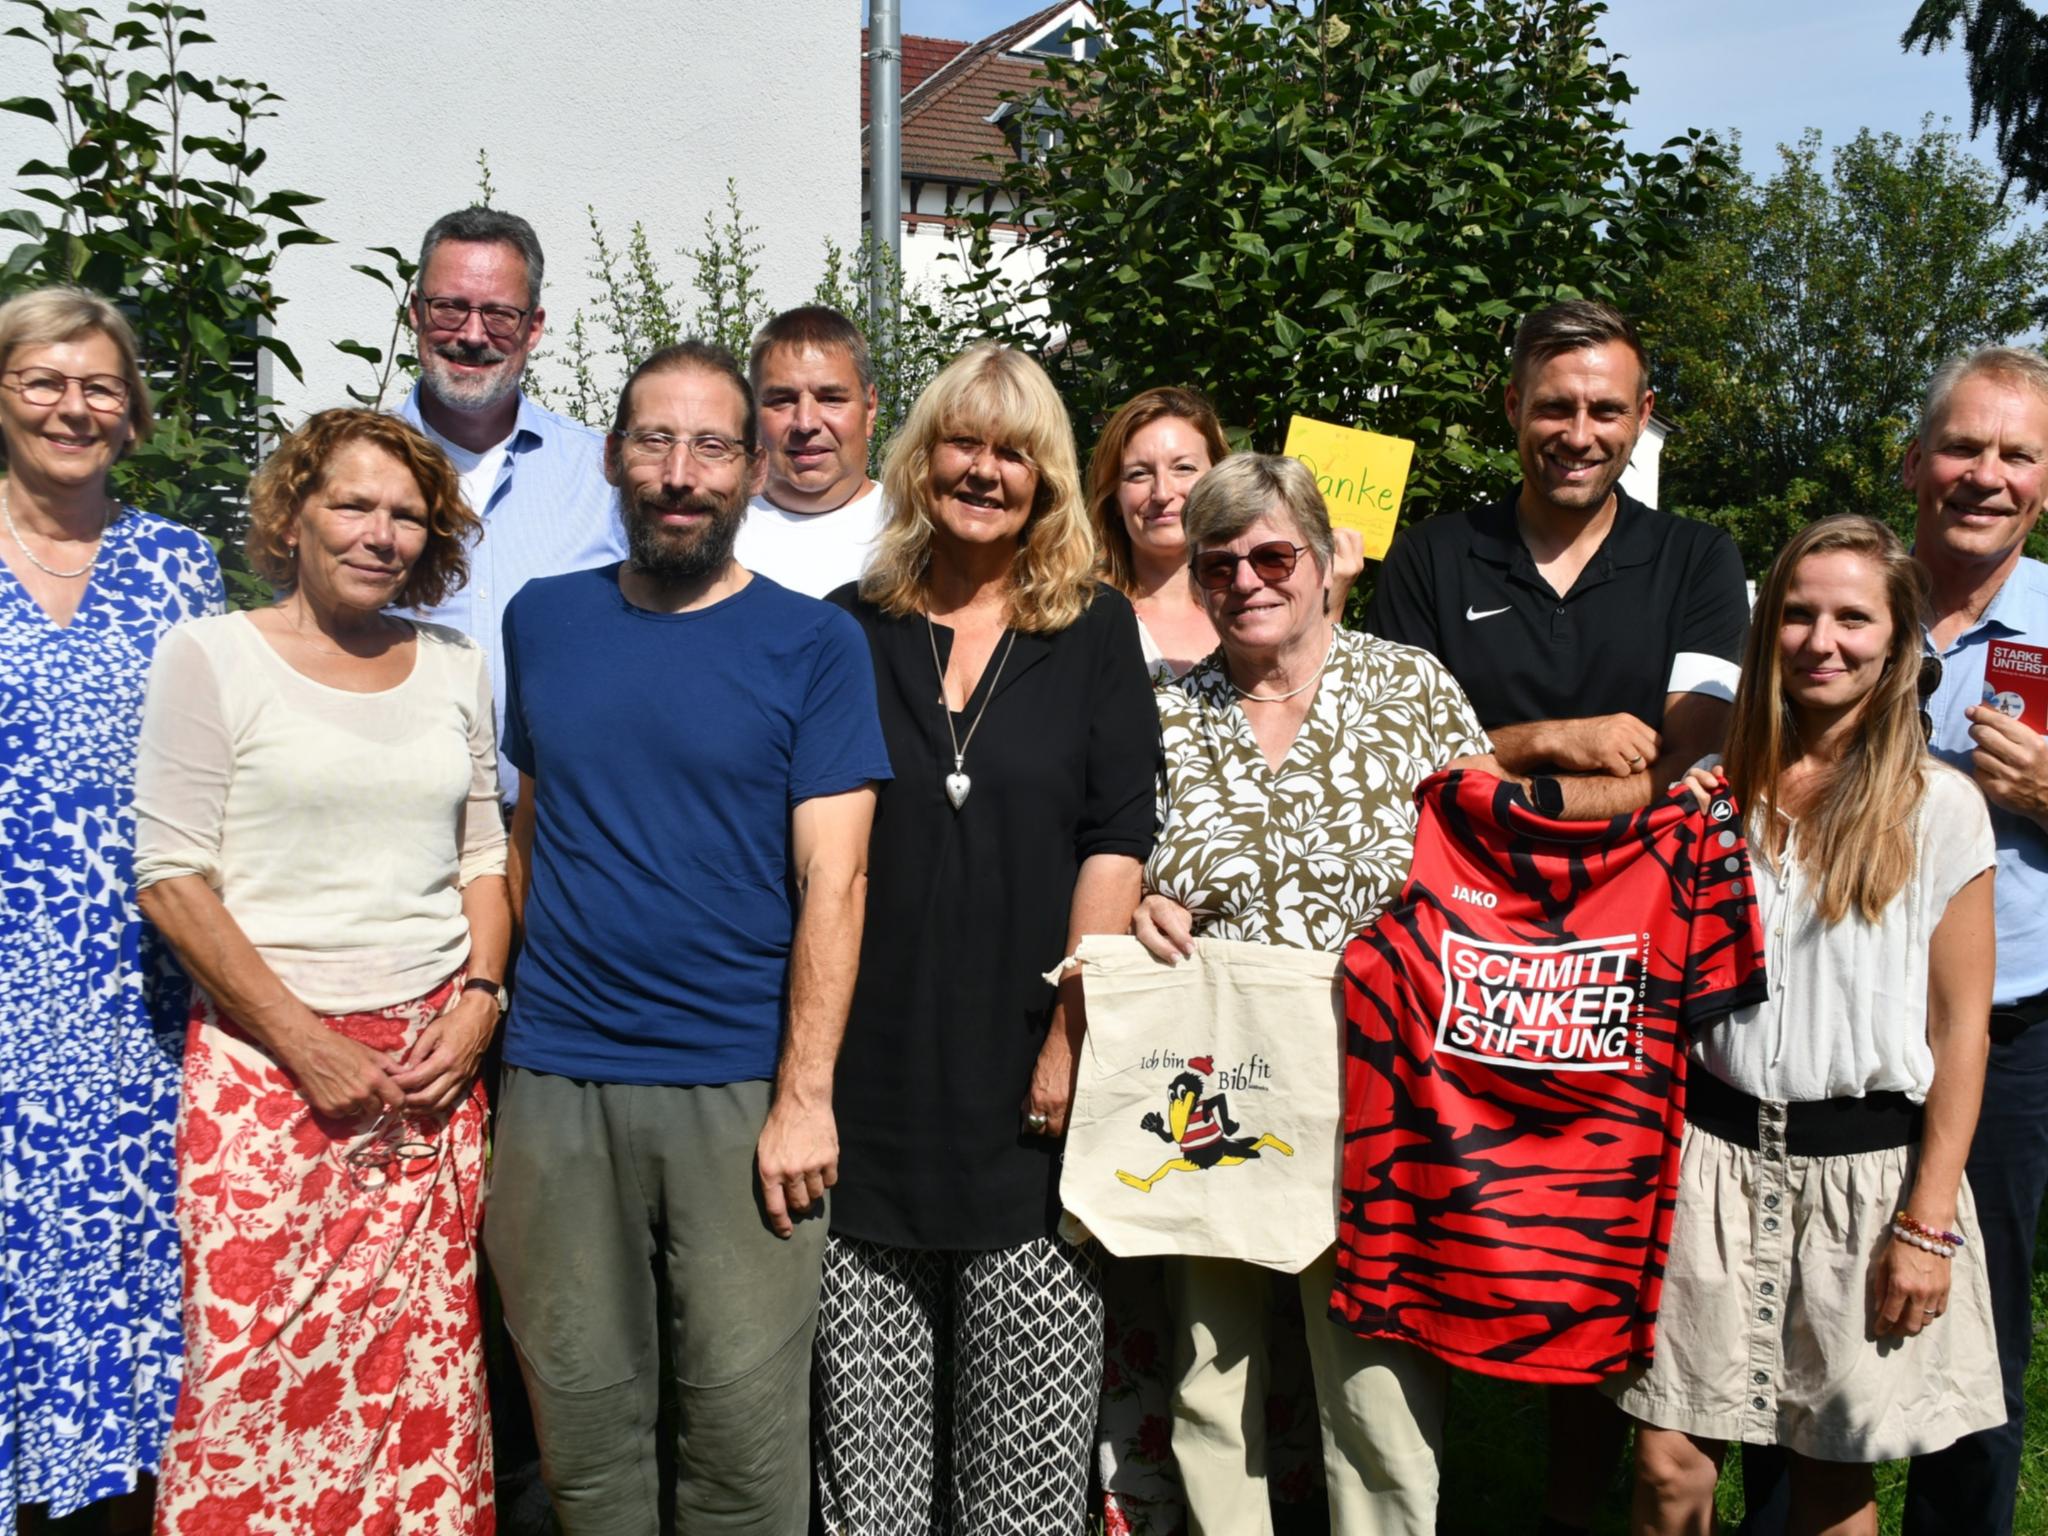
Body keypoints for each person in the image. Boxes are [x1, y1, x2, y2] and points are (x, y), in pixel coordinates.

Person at [483, 340, 888, 1535]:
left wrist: (804, 1092)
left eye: (711, 445)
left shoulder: (815, 644)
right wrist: (492, 1003)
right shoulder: (544, 621)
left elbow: (836, 880)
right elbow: (527, 831)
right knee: (582, 1425)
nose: (679, 472)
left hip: (736, 1085)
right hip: (557, 1081)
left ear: (753, 469)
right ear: (611, 457)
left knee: (739, 1432)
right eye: (654, 441)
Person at [1364, 299, 1750, 1534]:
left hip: (1632, 956)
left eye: (1601, 409)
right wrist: (1556, 741)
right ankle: (1395, 1474)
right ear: (1511, 412)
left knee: (1600, 1214)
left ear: (1639, 420)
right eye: (1552, 405)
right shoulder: (1433, 558)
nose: (1574, 432)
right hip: (1459, 948)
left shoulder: (1695, 557)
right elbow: (1390, 757)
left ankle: (1577, 1500)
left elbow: (1691, 763)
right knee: (1452, 1204)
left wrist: (1496, 776)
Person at [136, 409, 508, 1531]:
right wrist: (305, 1041)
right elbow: (169, 879)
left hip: (431, 1082)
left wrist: (483, 998)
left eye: (406, 515)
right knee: (254, 1383)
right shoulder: (211, 653)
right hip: (271, 1080)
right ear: (292, 515)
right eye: (351, 504)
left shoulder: (453, 662)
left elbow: (483, 857)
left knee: (418, 1385)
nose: (379, 533)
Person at [813, 342, 1158, 1535]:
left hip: (1029, 1099)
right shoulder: (844, 630)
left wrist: (1069, 1035)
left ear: (1049, 478)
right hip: (869, 1095)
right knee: (871, 1487)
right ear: (920, 457)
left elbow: (1116, 839)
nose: (984, 469)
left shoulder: (1094, 632)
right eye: (963, 441)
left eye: (1014, 452)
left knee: (1019, 1484)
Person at [1615, 514, 2002, 1536]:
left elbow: (1960, 1031)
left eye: (1848, 617)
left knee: (1829, 1481)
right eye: (1794, 614)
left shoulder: (1939, 810)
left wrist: (1925, 1223)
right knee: (1666, 1465)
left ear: (1894, 639)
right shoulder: (1712, 799)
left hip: (1863, 1180)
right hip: (1705, 1168)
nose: (1819, 640)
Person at [1130, 453, 1490, 1536]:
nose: (1245, 579)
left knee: (1373, 1387)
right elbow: (1103, 854)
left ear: (1326, 560)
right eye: (1217, 563)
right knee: (1208, 1372)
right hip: (1210, 1087)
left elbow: (1483, 861)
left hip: (1375, 1091)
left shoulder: (1410, 685)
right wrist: (1136, 906)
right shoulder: (1159, 708)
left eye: (1271, 554)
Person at [0, 287, 222, 1531]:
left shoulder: (174, 567)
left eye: (97, 386)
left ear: (132, 412)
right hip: (2, 984)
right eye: (42, 379)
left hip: (138, 995)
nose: (71, 407)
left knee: (124, 1276)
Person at [1892, 348, 2048, 1535]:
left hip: (2004, 1035)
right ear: (1911, 463)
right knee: (1801, 1308)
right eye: (1962, 447)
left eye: (2016, 455)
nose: (1984, 475)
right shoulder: (1842, 597)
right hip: (1834, 1021)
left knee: (1978, 1323)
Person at [398, 205, 625, 780]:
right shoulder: (352, 476)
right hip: (390, 831)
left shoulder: (602, 476)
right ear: (414, 313)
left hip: (550, 834)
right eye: (450, 307)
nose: (473, 336)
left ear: (534, 327)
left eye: (499, 314)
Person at [1086, 385, 1363, 684]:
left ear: (1218, 478)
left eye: (1183, 467)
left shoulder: (1258, 596)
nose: (1162, 492)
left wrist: (1329, 600)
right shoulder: (1087, 617)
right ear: (1114, 495)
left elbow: (1310, 704)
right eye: (1139, 473)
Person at [736, 304, 890, 597]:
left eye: (831, 398)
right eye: (782, 400)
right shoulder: (715, 534)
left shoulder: (913, 535)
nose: (805, 423)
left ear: (870, 408)